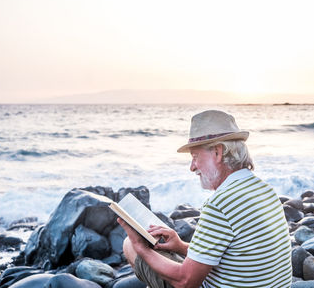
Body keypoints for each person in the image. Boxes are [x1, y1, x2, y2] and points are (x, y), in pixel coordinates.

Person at [117, 110, 292, 288]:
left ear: (218, 152)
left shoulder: (221, 204)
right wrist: (180, 246)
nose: (192, 167)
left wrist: (140, 247)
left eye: (195, 157)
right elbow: (238, 255)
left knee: (129, 245)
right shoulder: (264, 190)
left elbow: (186, 281)